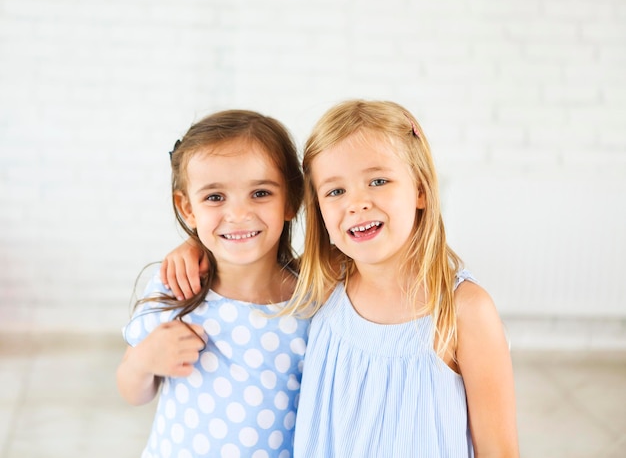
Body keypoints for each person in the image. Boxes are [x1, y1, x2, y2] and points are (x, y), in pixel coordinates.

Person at [161, 100, 519, 457]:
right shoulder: (325, 284)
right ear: (318, 207)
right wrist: (196, 246)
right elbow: (248, 262)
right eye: (335, 191)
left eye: (378, 181)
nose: (357, 203)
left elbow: (499, 450)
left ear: (420, 190)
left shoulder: (463, 310)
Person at [116, 109, 310, 458]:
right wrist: (143, 362)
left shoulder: (313, 304)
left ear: (291, 200)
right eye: (215, 197)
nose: (238, 214)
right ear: (188, 208)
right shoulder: (177, 288)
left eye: (261, 193)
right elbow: (132, 391)